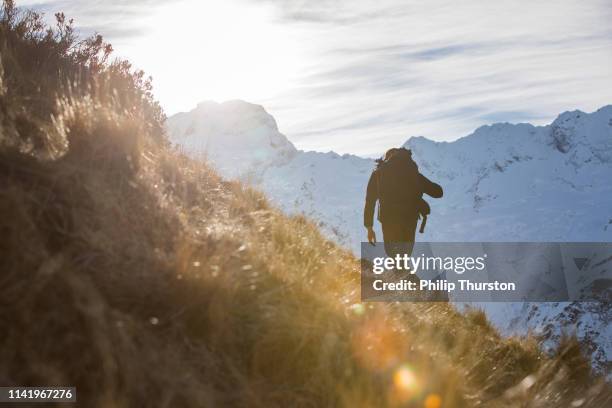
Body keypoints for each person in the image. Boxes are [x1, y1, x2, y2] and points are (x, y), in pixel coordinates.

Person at [363, 147, 443, 257]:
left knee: (393, 254)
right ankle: (403, 272)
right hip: (410, 218)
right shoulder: (413, 174)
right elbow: (438, 193)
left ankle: (398, 272)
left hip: (388, 219)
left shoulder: (378, 174)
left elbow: (370, 201)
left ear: (387, 160)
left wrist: (369, 227)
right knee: (405, 254)